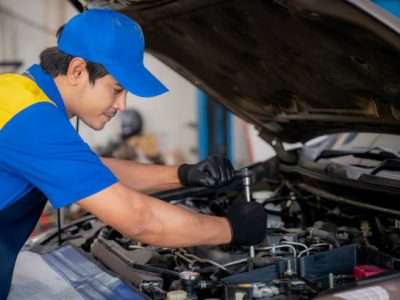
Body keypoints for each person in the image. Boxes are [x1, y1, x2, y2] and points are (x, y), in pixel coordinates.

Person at [0, 9, 266, 298]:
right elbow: (139, 221)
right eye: (116, 89)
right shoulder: (33, 121)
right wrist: (232, 229)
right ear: (77, 70)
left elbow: (91, 171)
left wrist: (183, 174)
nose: (122, 105)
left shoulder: (18, 95)